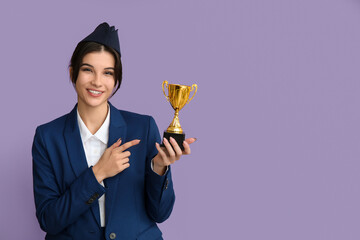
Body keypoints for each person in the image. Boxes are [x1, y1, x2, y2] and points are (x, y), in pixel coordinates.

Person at [32, 22, 196, 240]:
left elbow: (161, 213)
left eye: (107, 73)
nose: (97, 82)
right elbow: (49, 220)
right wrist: (97, 173)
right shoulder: (47, 137)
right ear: (72, 73)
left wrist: (159, 168)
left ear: (116, 78)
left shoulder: (143, 128)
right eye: (87, 70)